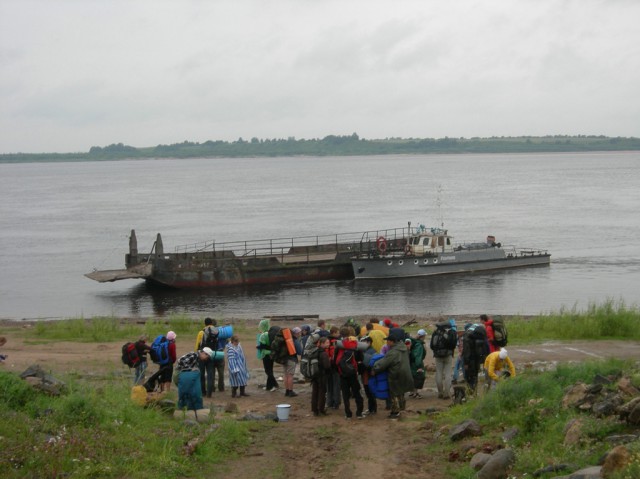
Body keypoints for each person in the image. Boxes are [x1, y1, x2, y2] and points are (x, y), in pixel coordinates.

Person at [371, 328, 414, 419]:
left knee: (394, 393)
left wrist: (375, 368)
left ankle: (395, 412)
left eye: (388, 341)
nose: (387, 343)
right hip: (405, 373)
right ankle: (402, 409)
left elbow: (384, 363)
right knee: (401, 392)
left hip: (396, 374)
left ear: (392, 341)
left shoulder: (393, 352)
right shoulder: (403, 348)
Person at [335, 326, 364, 419]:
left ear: (341, 334)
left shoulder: (339, 345)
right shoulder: (354, 344)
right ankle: (359, 413)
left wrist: (338, 370)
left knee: (345, 394)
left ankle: (348, 414)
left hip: (342, 373)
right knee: (357, 392)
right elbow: (360, 358)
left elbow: (335, 360)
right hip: (352, 372)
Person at [430, 319, 458, 400]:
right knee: (448, 374)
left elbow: (432, 346)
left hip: (438, 355)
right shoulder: (451, 332)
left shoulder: (435, 332)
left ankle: (440, 392)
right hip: (448, 355)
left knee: (438, 373)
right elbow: (453, 345)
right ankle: (447, 393)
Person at [462, 323, 489, 395]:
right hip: (479, 360)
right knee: (475, 376)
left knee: (469, 377)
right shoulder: (482, 338)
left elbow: (466, 351)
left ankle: (471, 392)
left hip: (470, 360)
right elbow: (486, 349)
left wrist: (466, 363)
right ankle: (475, 391)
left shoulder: (467, 337)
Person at [195, 317, 217, 397]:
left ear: (205, 323)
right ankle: (209, 393)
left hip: (202, 354)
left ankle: (203, 392)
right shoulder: (216, 331)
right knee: (210, 374)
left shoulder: (202, 332)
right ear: (211, 323)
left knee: (201, 374)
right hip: (211, 354)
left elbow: (197, 344)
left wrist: (197, 353)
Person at [311, 337, 332, 416]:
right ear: (322, 343)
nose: (328, 344)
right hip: (322, 375)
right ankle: (321, 409)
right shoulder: (323, 353)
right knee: (322, 393)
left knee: (314, 392)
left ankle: (314, 410)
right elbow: (327, 366)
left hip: (314, 375)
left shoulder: (314, 351)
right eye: (327, 342)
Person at [257, 318, 278, 392]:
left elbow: (263, 346)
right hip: (271, 353)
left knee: (267, 371)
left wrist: (258, 347)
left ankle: (274, 385)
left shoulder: (263, 335)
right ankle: (269, 386)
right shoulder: (271, 333)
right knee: (270, 370)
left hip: (266, 354)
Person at [360, 335, 378, 415]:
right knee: (369, 392)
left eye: (364, 341)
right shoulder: (368, 350)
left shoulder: (371, 351)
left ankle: (372, 409)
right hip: (366, 374)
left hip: (368, 375)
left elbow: (369, 364)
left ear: (369, 342)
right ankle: (372, 409)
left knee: (369, 392)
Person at [283, 327, 303, 397]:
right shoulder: (295, 340)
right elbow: (300, 352)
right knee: (290, 375)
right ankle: (291, 391)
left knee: (286, 375)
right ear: (297, 333)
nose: (300, 334)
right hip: (291, 359)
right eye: (300, 332)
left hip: (284, 359)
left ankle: (287, 391)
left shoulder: (286, 339)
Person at [326, 326, 342, 409]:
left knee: (329, 385)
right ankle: (336, 402)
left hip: (328, 366)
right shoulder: (337, 342)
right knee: (336, 385)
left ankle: (329, 402)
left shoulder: (326, 341)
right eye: (338, 333)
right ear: (334, 333)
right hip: (335, 366)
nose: (339, 334)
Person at [408, 329, 427, 399]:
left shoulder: (414, 342)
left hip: (411, 362)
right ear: (423, 336)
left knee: (413, 377)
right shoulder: (419, 345)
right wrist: (419, 366)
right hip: (416, 363)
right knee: (418, 377)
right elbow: (418, 356)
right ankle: (415, 393)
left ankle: (412, 392)